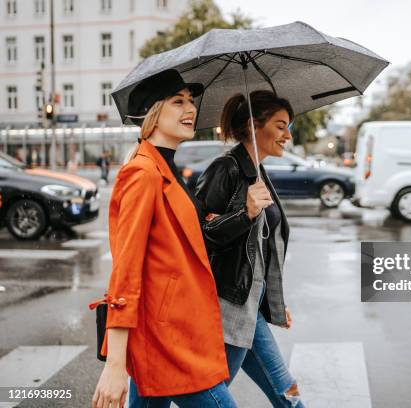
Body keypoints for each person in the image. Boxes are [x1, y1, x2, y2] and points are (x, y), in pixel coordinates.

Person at [91, 69, 236, 408]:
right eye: (178, 102)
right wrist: (115, 366)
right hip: (167, 338)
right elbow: (125, 270)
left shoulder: (167, 168)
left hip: (176, 328)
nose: (191, 110)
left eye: (191, 102)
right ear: (153, 113)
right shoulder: (142, 174)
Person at [194, 90, 304, 408]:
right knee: (208, 396)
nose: (288, 135)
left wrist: (272, 300)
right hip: (226, 307)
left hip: (248, 307)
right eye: (281, 125)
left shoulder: (258, 171)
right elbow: (197, 238)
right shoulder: (225, 170)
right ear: (256, 126)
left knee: (286, 394)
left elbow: (262, 247)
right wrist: (245, 214)